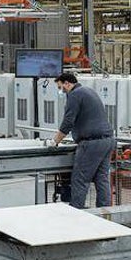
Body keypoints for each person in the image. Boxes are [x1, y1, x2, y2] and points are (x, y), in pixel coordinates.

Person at [51, 72, 116, 208]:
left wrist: (54, 141)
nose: (61, 91)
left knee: (80, 180)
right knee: (102, 179)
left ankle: (76, 213)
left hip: (91, 144)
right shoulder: (88, 91)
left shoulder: (74, 95)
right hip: (107, 141)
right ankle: (105, 213)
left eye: (60, 87)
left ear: (67, 83)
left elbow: (68, 122)